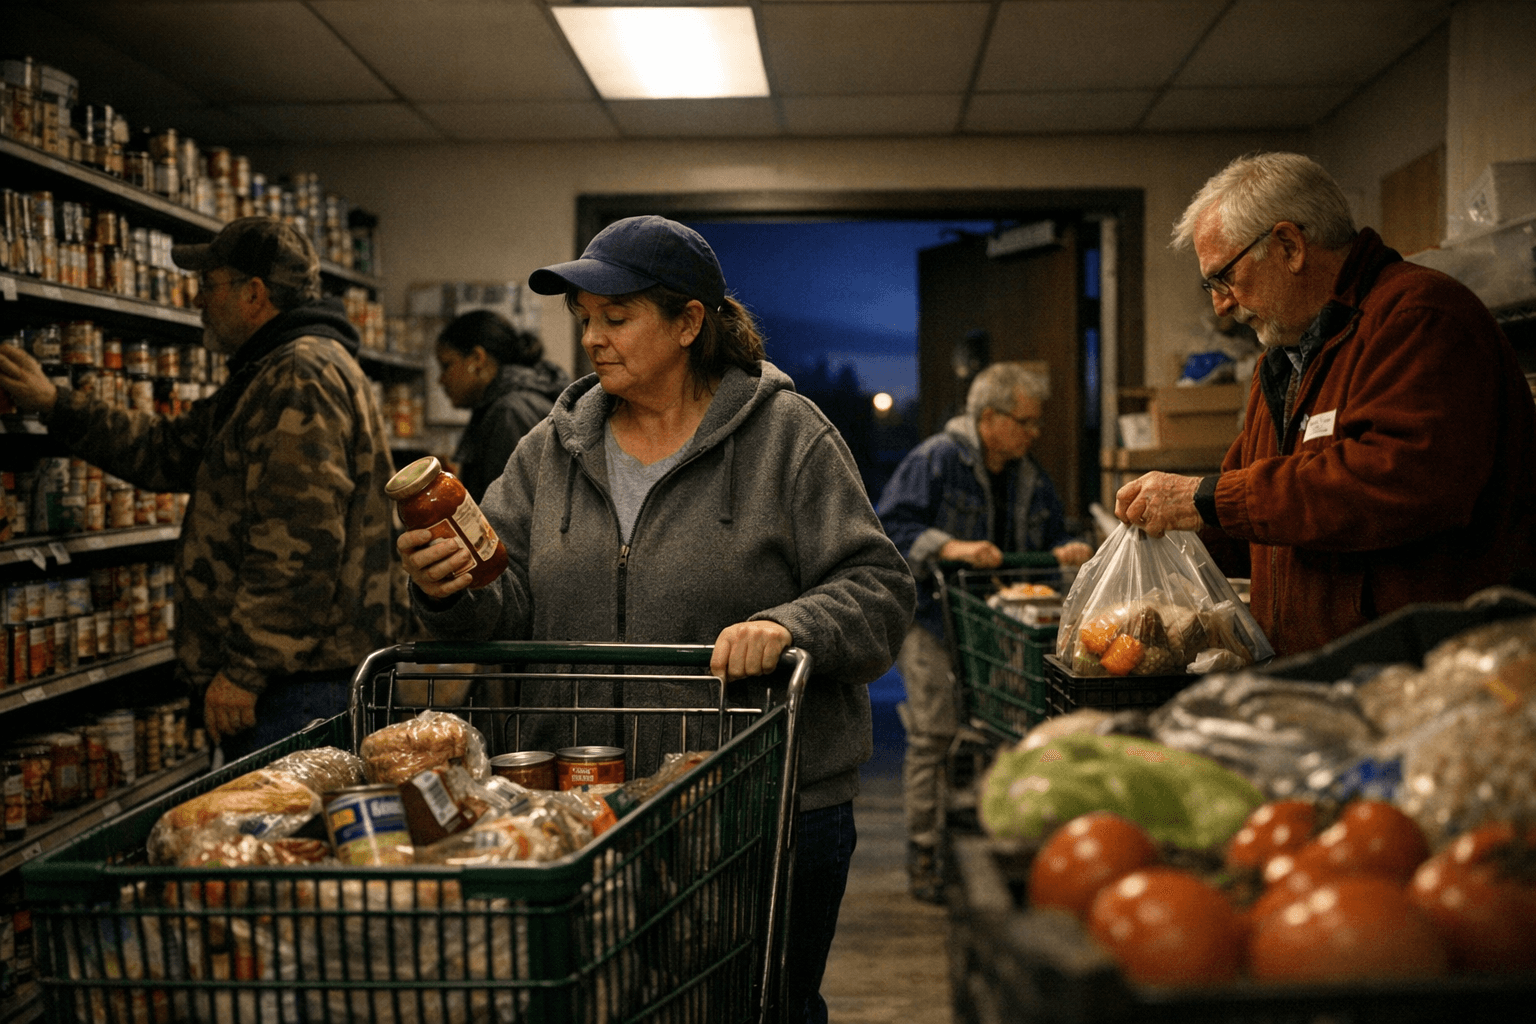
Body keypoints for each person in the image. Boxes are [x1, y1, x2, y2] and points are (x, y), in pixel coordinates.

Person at [397, 214, 915, 1024]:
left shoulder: (788, 437)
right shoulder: (548, 450)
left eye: (616, 317)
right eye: (585, 320)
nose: (592, 340)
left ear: (688, 323)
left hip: (756, 810)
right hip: (584, 810)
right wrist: (446, 591)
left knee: (759, 1009)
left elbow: (879, 586)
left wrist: (790, 626)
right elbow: (503, 604)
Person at [0, 216, 409, 758]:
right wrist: (56, 404)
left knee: (285, 813)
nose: (197, 301)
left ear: (254, 294)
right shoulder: (270, 370)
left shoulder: (298, 373)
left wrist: (246, 669)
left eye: (208, 285)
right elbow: (167, 450)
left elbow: (298, 542)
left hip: (297, 684)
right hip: (299, 675)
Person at [1115, 151, 1536, 658]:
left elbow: (1396, 483)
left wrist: (1206, 499)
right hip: (1320, 672)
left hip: (1422, 671)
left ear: (1289, 246)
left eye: (1224, 278)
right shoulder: (1283, 360)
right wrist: (1172, 531)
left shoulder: (1420, 319)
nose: (1221, 305)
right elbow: (1259, 517)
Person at [875, 360, 1093, 902]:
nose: (1034, 432)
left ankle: (993, 842)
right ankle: (925, 850)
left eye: (1036, 422)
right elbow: (887, 530)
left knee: (1004, 733)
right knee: (934, 732)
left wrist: (1065, 550)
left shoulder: (1029, 476)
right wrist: (950, 547)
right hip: (931, 616)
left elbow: (1051, 537)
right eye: (1026, 421)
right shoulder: (934, 460)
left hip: (997, 628)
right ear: (989, 418)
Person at [434, 309, 571, 502]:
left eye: (446, 365)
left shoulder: (509, 413)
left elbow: (512, 510)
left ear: (477, 358)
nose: (441, 380)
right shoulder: (519, 401)